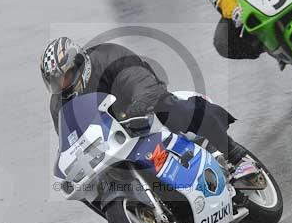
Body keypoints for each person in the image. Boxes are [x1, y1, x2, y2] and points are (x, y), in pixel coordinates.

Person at [41, 36, 259, 179]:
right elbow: (69, 140)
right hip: (110, 140)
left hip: (141, 109)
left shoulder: (107, 57)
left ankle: (236, 156)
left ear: (79, 63)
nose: (62, 84)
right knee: (96, 180)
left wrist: (139, 105)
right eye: (56, 81)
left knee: (174, 110)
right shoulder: (58, 104)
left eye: (65, 76)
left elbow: (138, 80)